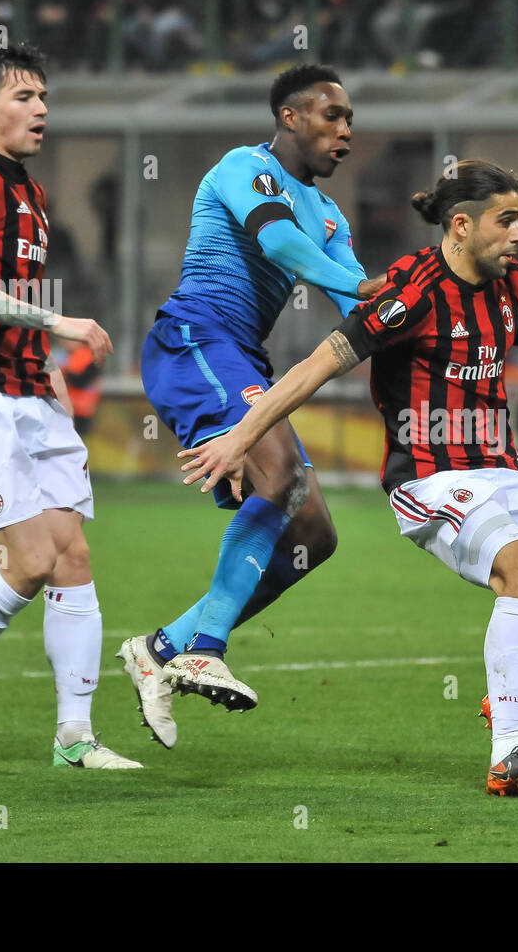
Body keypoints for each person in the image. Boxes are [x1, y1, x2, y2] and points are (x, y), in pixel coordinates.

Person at [178, 160, 518, 795]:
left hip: (502, 471)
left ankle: (516, 701)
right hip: (429, 481)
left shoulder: (514, 284)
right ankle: (510, 752)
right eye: (507, 221)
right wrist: (240, 438)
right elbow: (316, 367)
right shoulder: (409, 290)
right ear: (460, 225)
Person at [120, 64, 386, 748]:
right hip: (195, 337)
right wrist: (378, 290)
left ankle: (161, 648)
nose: (346, 133)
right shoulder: (245, 168)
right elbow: (282, 247)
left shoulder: (329, 214)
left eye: (351, 120)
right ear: (291, 117)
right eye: (333, 117)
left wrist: (427, 306)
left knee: (314, 536)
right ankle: (205, 647)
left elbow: (358, 297)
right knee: (278, 478)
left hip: (242, 360)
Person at [0, 40, 138, 768]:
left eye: (43, 96)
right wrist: (59, 325)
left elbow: (15, 300)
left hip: (32, 393)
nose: (40, 109)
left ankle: (75, 738)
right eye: (23, 97)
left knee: (72, 555)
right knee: (32, 556)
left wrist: (50, 372)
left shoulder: (33, 195)